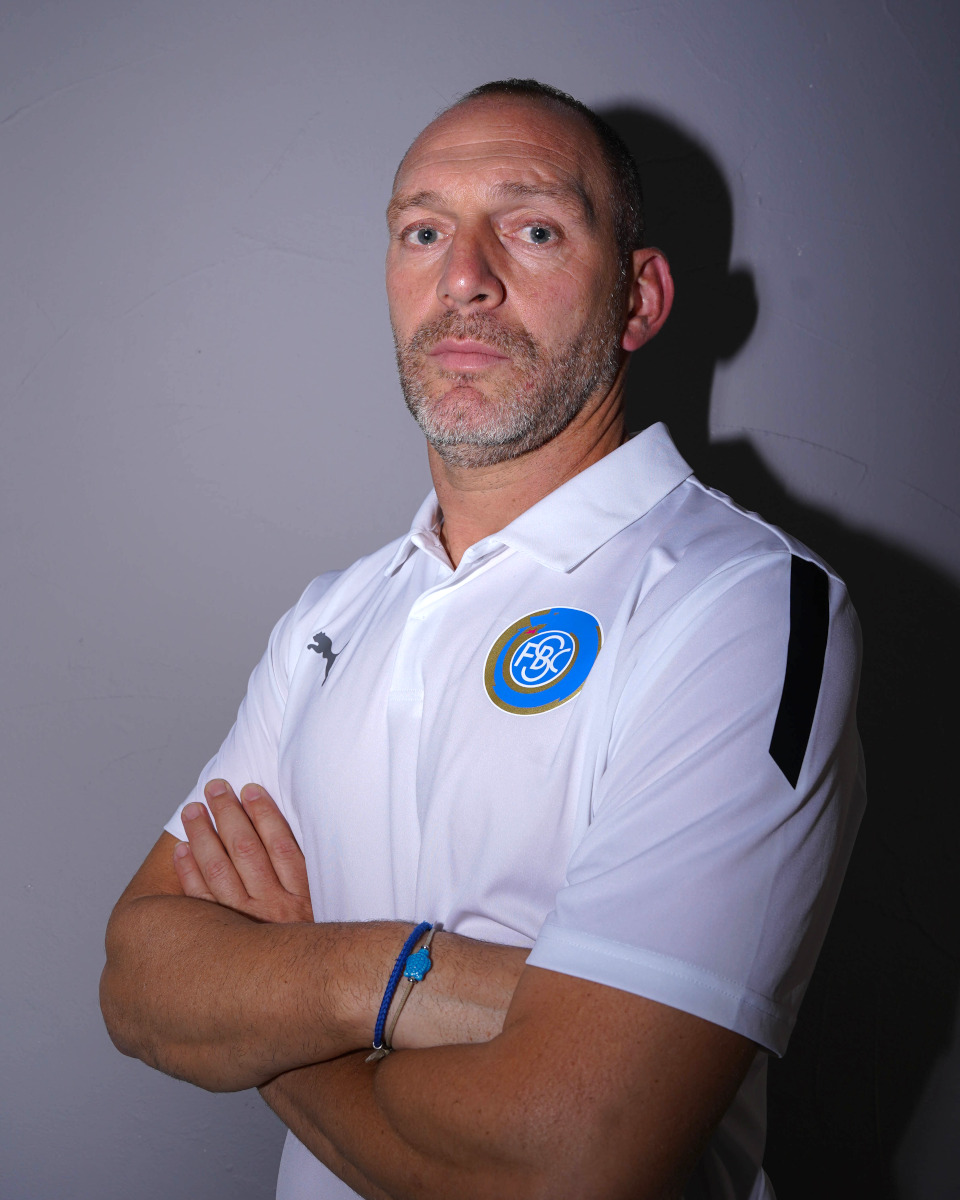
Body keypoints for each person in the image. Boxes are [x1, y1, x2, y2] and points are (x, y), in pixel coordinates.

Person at [100, 79, 865, 1200]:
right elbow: (136, 981)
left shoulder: (746, 607)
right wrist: (397, 977)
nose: (463, 276)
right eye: (423, 231)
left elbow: (564, 1160)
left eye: (534, 228)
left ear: (640, 298)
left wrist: (265, 998)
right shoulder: (328, 617)